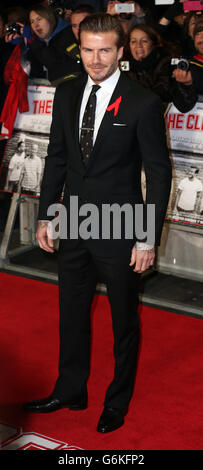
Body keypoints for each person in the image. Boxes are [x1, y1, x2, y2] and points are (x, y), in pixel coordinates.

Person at [23, 13, 172, 433]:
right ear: (80, 47)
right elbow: (56, 158)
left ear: (120, 51)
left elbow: (159, 174)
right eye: (88, 49)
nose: (95, 59)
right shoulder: (67, 93)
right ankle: (70, 388)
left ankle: (117, 400)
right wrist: (47, 214)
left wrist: (146, 238)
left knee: (123, 320)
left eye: (105, 50)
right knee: (71, 311)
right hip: (73, 220)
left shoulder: (142, 102)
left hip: (122, 225)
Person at [28, 3, 83, 85]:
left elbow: (53, 63)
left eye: (39, 19)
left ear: (50, 18)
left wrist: (32, 41)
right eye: (32, 21)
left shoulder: (68, 34)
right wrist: (22, 45)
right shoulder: (40, 41)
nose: (36, 25)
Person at [122, 24, 172, 111]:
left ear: (153, 44)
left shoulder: (164, 63)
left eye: (144, 41)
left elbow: (161, 92)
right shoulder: (123, 64)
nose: (138, 45)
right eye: (133, 41)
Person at [171, 19, 203, 113]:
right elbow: (183, 107)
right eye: (198, 34)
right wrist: (186, 86)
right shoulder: (187, 66)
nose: (201, 39)